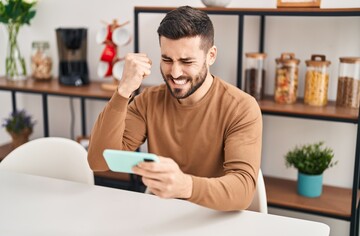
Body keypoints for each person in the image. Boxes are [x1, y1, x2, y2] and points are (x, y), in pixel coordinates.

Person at [88, 6, 262, 211]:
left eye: (187, 61)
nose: (175, 73)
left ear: (211, 55)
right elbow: (98, 161)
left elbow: (242, 191)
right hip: (163, 214)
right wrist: (123, 92)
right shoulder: (149, 101)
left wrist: (185, 186)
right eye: (167, 60)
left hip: (215, 217)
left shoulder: (241, 108)